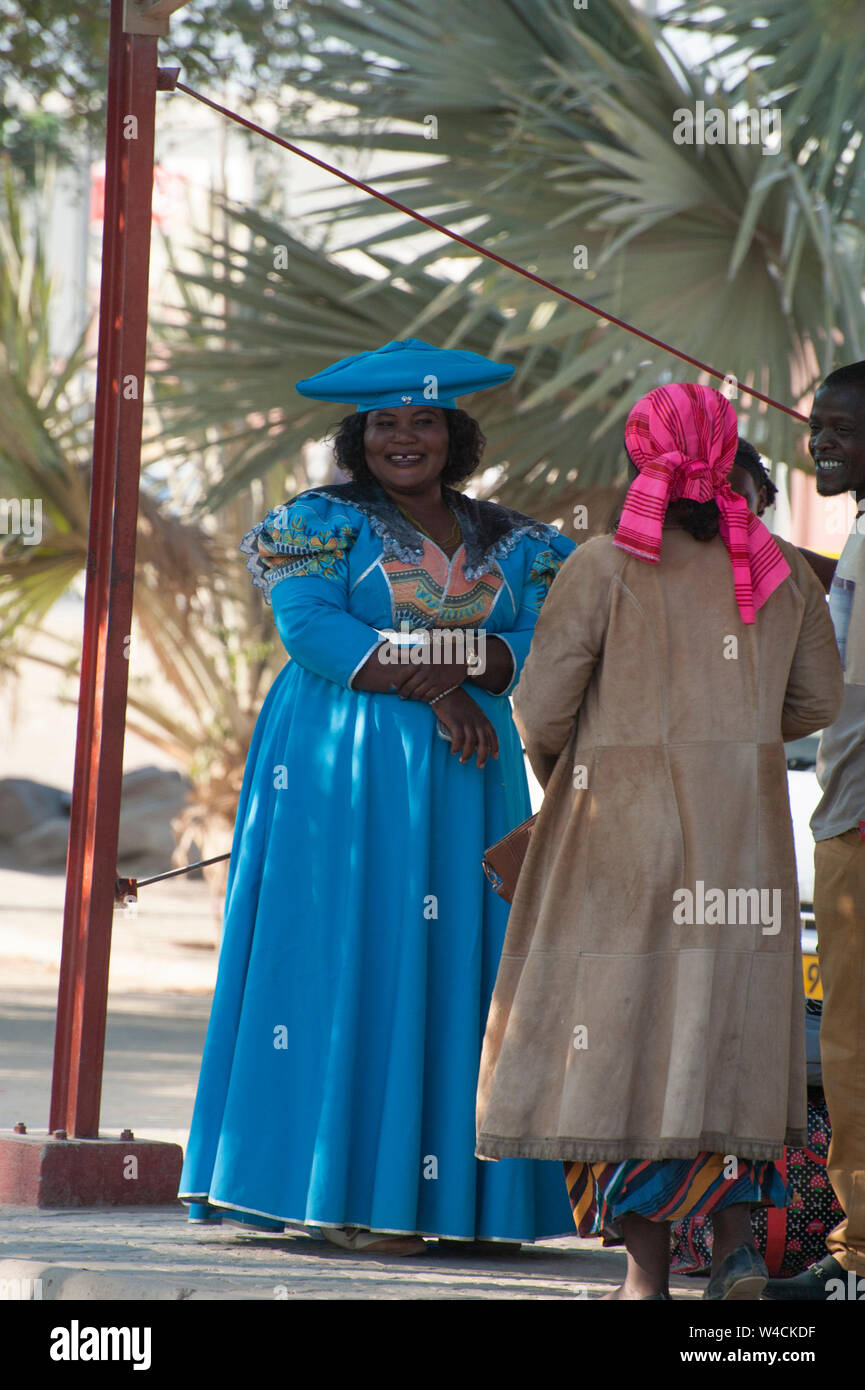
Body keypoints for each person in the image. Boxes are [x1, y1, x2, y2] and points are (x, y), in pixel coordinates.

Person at [178, 337, 576, 1251]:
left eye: (424, 422)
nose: (406, 438)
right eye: (386, 424)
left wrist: (473, 668)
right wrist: (443, 684)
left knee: (457, 968)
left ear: (453, 434)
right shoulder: (317, 520)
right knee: (340, 952)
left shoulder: (512, 538)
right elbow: (312, 627)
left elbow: (540, 634)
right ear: (359, 438)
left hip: (465, 782)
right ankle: (344, 1197)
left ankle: (448, 1205)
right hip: (338, 770)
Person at [475, 382, 843, 1299]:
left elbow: (542, 705)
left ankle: (644, 1276)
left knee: (621, 1043)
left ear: (644, 457)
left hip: (619, 842)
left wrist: (583, 760)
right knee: (728, 1037)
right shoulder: (781, 571)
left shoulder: (605, 564)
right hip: (742, 844)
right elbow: (817, 704)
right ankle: (734, 1249)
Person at [765, 361, 865, 1299]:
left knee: (855, 1048)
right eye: (813, 428)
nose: (819, 444)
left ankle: (859, 1263)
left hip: (859, 824)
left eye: (840, 427)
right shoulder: (860, 531)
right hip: (842, 815)